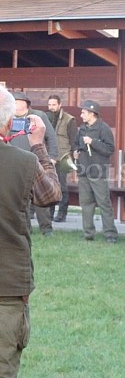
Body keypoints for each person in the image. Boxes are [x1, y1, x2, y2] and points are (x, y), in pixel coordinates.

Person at [0, 87, 61, 377]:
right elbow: (51, 195)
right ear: (11, 123)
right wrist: (38, 146)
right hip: (7, 284)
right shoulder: (24, 162)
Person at [10, 91, 58, 237]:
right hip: (16, 162)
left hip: (36, 161)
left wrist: (53, 157)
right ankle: (26, 229)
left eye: (16, 101)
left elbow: (51, 136)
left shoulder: (38, 116)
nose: (14, 104)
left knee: (40, 194)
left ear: (25, 103)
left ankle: (46, 229)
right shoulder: (8, 118)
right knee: (20, 198)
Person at [73, 100, 118, 243]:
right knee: (86, 204)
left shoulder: (103, 128)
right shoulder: (82, 128)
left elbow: (110, 149)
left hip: (98, 173)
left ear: (92, 114)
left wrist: (93, 142)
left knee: (104, 203)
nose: (81, 115)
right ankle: (88, 234)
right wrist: (75, 151)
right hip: (83, 171)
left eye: (83, 112)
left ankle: (110, 234)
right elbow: (76, 144)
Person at [46, 94, 78, 222]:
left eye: (54, 105)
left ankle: (62, 214)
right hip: (49, 157)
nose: (51, 107)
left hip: (64, 157)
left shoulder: (69, 120)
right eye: (49, 105)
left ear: (60, 105)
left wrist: (73, 158)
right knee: (50, 186)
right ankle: (50, 212)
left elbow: (74, 140)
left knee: (62, 186)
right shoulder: (46, 118)